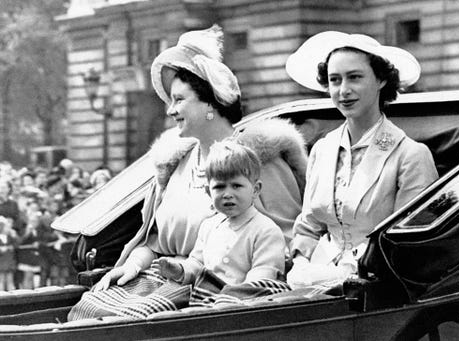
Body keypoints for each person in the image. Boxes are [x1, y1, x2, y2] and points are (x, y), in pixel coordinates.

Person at [92, 25, 306, 292]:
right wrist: (132, 265)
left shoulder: (258, 159)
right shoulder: (175, 164)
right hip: (167, 281)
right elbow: (156, 242)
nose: (170, 111)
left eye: (179, 100)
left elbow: (287, 244)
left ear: (210, 103)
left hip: (232, 295)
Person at [284, 31, 439, 288]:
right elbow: (309, 225)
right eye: (335, 80)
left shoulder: (410, 155)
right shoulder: (322, 150)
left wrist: (350, 274)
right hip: (312, 280)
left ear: (380, 80)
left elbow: (408, 246)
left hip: (379, 289)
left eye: (355, 77)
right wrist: (301, 262)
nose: (344, 91)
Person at [152, 141, 285, 285]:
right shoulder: (208, 227)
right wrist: (179, 270)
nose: (227, 194)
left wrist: (231, 299)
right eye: (220, 187)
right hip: (207, 297)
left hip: (245, 301)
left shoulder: (266, 231)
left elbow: (263, 275)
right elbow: (197, 263)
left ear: (255, 189)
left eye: (236, 186)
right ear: (209, 192)